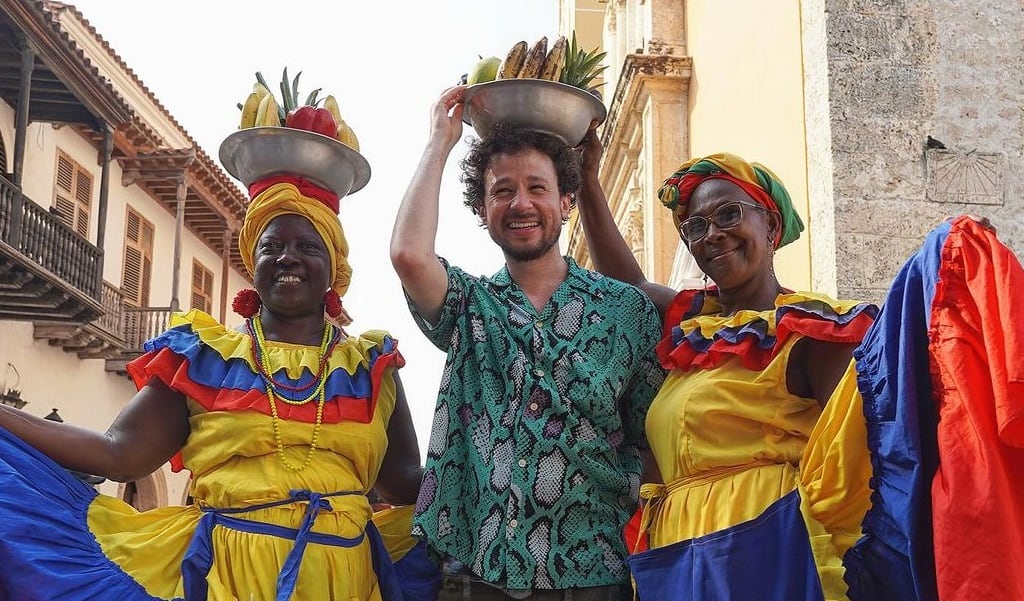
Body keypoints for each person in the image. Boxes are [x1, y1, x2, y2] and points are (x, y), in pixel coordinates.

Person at [576, 129, 1024, 601]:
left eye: (728, 214)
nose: (713, 235)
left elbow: (876, 434)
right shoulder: (692, 326)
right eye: (696, 227)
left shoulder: (814, 331)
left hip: (760, 551)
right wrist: (588, 180)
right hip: (676, 551)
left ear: (769, 226)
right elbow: (628, 286)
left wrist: (945, 270)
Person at [0, 117, 437, 601]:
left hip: (345, 581)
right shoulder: (203, 358)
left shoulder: (371, 367)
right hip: (226, 580)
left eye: (308, 246)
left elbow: (404, 485)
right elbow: (119, 454)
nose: (288, 258)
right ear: (254, 261)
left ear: (333, 265)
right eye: (272, 246)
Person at [389, 85, 665, 600]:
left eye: (537, 188)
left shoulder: (626, 312)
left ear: (565, 201)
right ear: (481, 209)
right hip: (479, 574)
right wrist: (438, 143)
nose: (520, 203)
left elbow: (653, 442)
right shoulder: (469, 305)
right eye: (501, 191)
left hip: (595, 573)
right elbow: (409, 255)